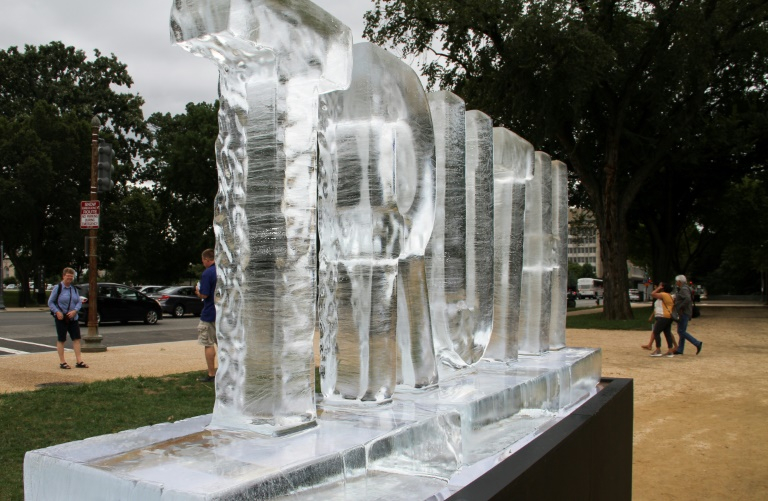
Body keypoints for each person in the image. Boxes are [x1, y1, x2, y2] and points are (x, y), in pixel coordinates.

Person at [48, 267, 88, 369]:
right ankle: (62, 362)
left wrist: (75, 311)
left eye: (71, 277)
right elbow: (51, 302)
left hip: (73, 318)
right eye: (68, 277)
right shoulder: (58, 288)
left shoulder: (74, 289)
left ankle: (79, 361)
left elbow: (78, 301)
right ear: (63, 276)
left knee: (76, 339)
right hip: (61, 317)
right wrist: (57, 311)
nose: (69, 279)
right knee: (61, 339)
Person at [195, 248, 217, 382]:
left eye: (203, 260)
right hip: (223, 313)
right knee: (225, 344)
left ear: (207, 259)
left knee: (208, 343)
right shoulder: (223, 271)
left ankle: (211, 374)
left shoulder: (207, 273)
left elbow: (205, 294)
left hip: (209, 313)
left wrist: (198, 292)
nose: (203, 263)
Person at [673, 274, 703, 355]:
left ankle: (697, 343)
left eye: (677, 281)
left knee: (681, 331)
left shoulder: (684, 289)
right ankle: (680, 349)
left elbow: (687, 299)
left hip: (684, 312)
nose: (676, 283)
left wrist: (679, 306)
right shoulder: (686, 288)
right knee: (682, 331)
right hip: (685, 312)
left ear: (679, 281)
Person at [649, 282, 678, 357]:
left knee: (656, 332)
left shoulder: (664, 295)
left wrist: (658, 288)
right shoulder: (670, 296)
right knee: (667, 333)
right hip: (668, 317)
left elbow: (652, 294)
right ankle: (670, 350)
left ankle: (658, 350)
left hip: (663, 316)